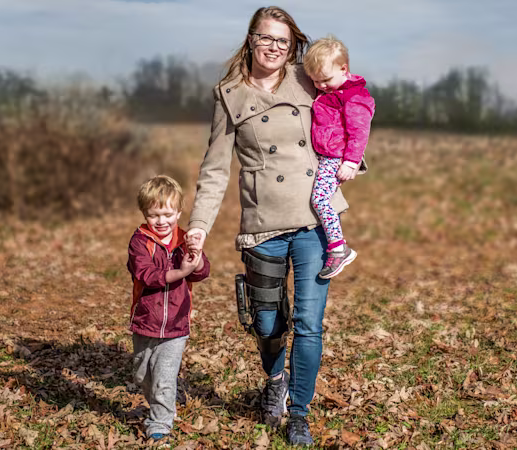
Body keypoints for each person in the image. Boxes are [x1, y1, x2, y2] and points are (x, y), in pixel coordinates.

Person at [184, 6, 363, 446]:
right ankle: (275, 379)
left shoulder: (309, 78)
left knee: (308, 323)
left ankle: (298, 411)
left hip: (313, 222)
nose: (275, 48)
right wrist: (198, 227)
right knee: (267, 324)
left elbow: (354, 107)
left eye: (283, 41)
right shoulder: (229, 94)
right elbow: (214, 169)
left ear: (293, 45)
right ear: (251, 39)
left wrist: (353, 158)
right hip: (263, 223)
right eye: (266, 38)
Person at [127, 175, 211, 442]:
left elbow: (201, 272)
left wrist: (195, 261)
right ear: (145, 214)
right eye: (154, 215)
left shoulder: (186, 239)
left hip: (176, 325)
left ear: (178, 212)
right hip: (145, 320)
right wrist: (179, 271)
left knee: (165, 377)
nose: (161, 221)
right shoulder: (139, 241)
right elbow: (146, 274)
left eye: (167, 214)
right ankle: (159, 401)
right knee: (141, 373)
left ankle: (160, 422)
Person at [303, 35, 374, 279]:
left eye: (325, 80)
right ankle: (336, 245)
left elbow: (359, 133)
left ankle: (338, 247)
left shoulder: (354, 97)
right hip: (325, 155)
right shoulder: (332, 90)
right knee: (319, 199)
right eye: (315, 81)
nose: (320, 86)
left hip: (336, 158)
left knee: (320, 200)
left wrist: (351, 162)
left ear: (344, 69)